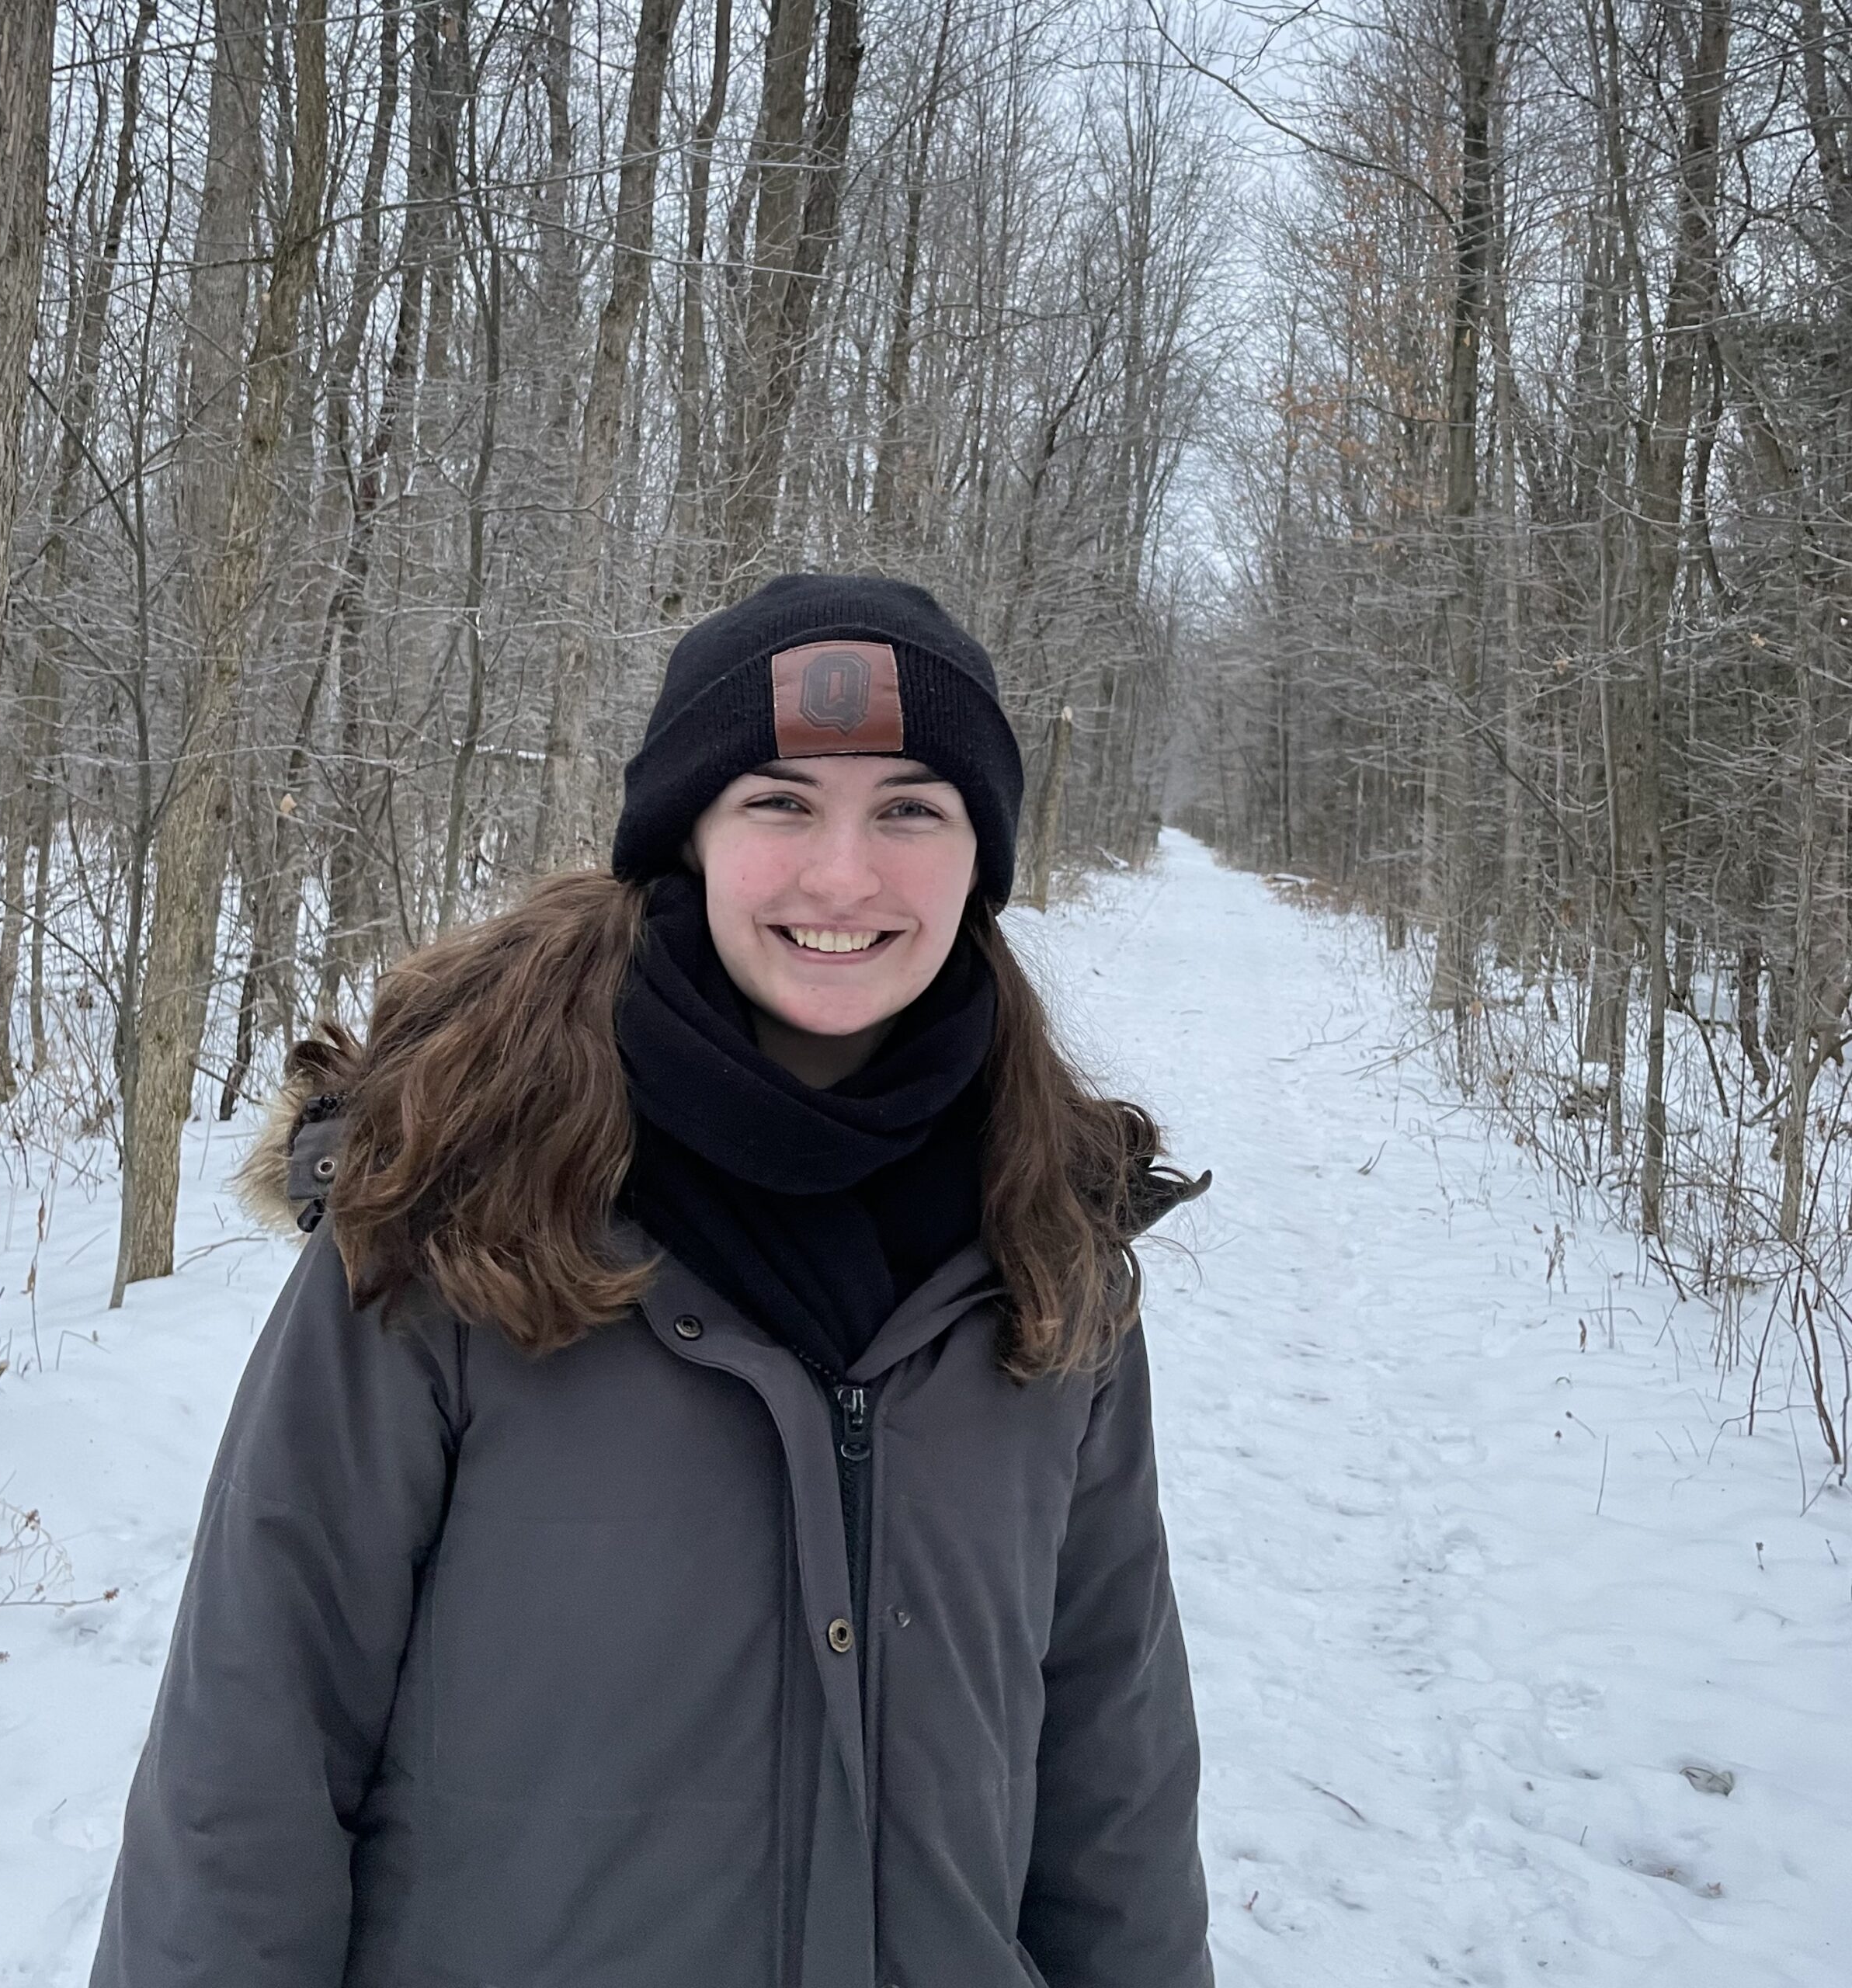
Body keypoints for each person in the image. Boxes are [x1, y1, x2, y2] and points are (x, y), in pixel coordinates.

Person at [90, 574, 1215, 1988]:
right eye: (781, 805)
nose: (845, 877)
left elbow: (1113, 1768)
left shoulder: (1051, 1241)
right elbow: (252, 1742)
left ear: (981, 854)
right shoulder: (459, 1210)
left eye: (912, 809)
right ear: (686, 836)